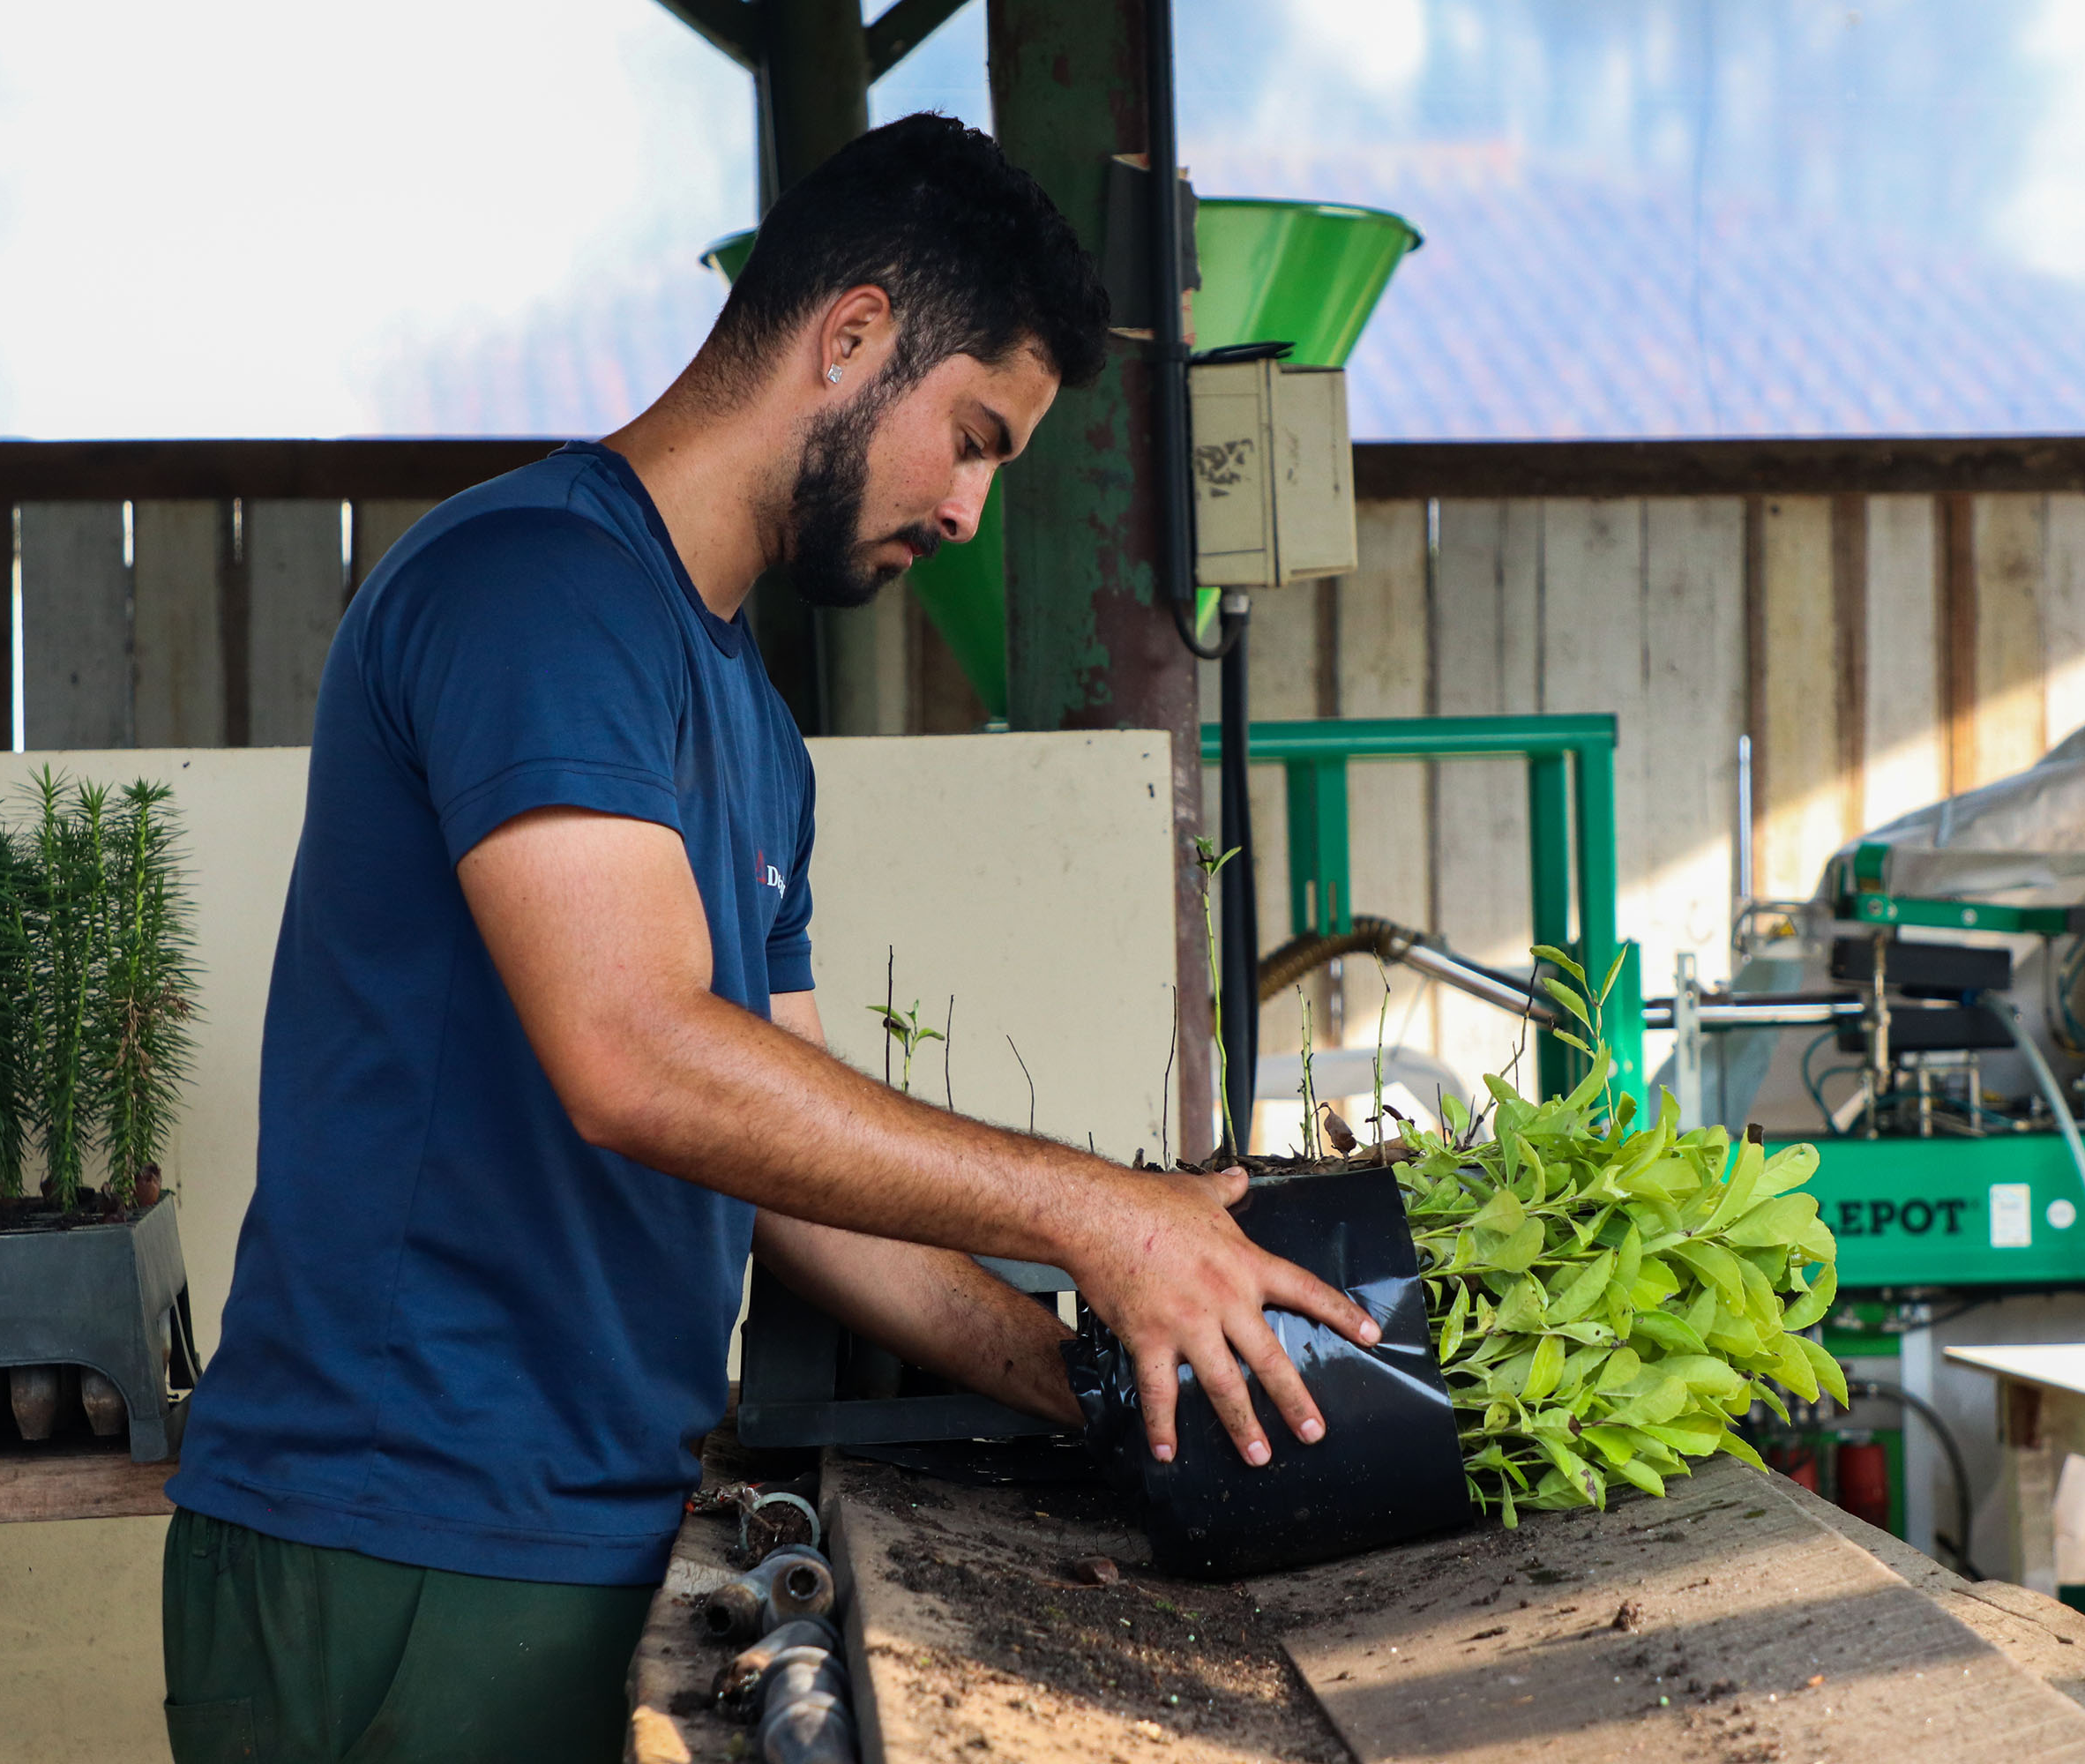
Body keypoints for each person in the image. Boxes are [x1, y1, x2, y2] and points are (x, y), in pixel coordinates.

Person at [156, 113, 1372, 1763]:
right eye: (973, 437)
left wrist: (1095, 1388)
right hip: (405, 1545)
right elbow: (639, 1058)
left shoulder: (749, 719)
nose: (967, 508)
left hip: (595, 1529)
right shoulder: (537, 590)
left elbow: (782, 1155)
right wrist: (1095, 1210)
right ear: (853, 335)